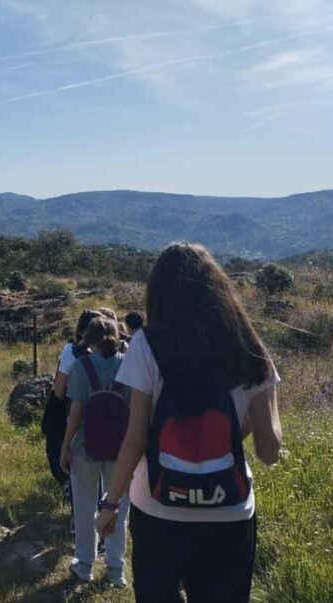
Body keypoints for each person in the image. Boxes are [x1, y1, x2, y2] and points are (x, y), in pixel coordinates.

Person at [95, 243, 282, 603]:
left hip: (158, 509)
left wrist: (110, 504)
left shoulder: (146, 345)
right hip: (229, 513)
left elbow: (135, 437)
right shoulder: (252, 349)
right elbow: (269, 452)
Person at [60, 317, 130, 586]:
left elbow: (75, 412)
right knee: (117, 508)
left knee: (85, 504)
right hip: (120, 448)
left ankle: (85, 564)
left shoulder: (81, 366)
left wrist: (65, 446)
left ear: (88, 339)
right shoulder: (126, 365)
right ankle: (115, 569)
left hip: (85, 447)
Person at [42, 309, 103, 523]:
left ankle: (78, 512)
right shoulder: (113, 352)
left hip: (72, 411)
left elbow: (59, 390)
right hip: (103, 415)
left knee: (65, 454)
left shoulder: (71, 351)